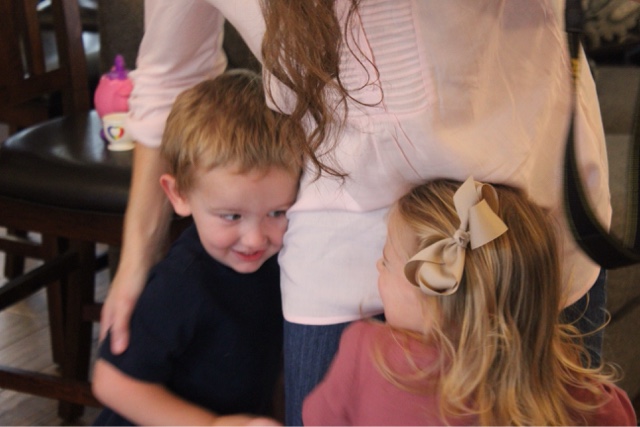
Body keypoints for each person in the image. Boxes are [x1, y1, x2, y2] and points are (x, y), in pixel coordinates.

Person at [100, 1, 637, 424]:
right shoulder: (358, 343)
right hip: (339, 223)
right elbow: (171, 76)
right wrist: (136, 257)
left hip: (515, 218)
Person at [302, 177, 637, 426]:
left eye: (386, 261)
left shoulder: (368, 355)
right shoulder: (593, 405)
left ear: (434, 295)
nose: (378, 266)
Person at [92, 70, 302, 426]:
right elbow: (112, 382)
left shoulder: (280, 260)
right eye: (231, 216)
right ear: (179, 195)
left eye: (277, 212)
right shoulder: (180, 283)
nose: (255, 239)